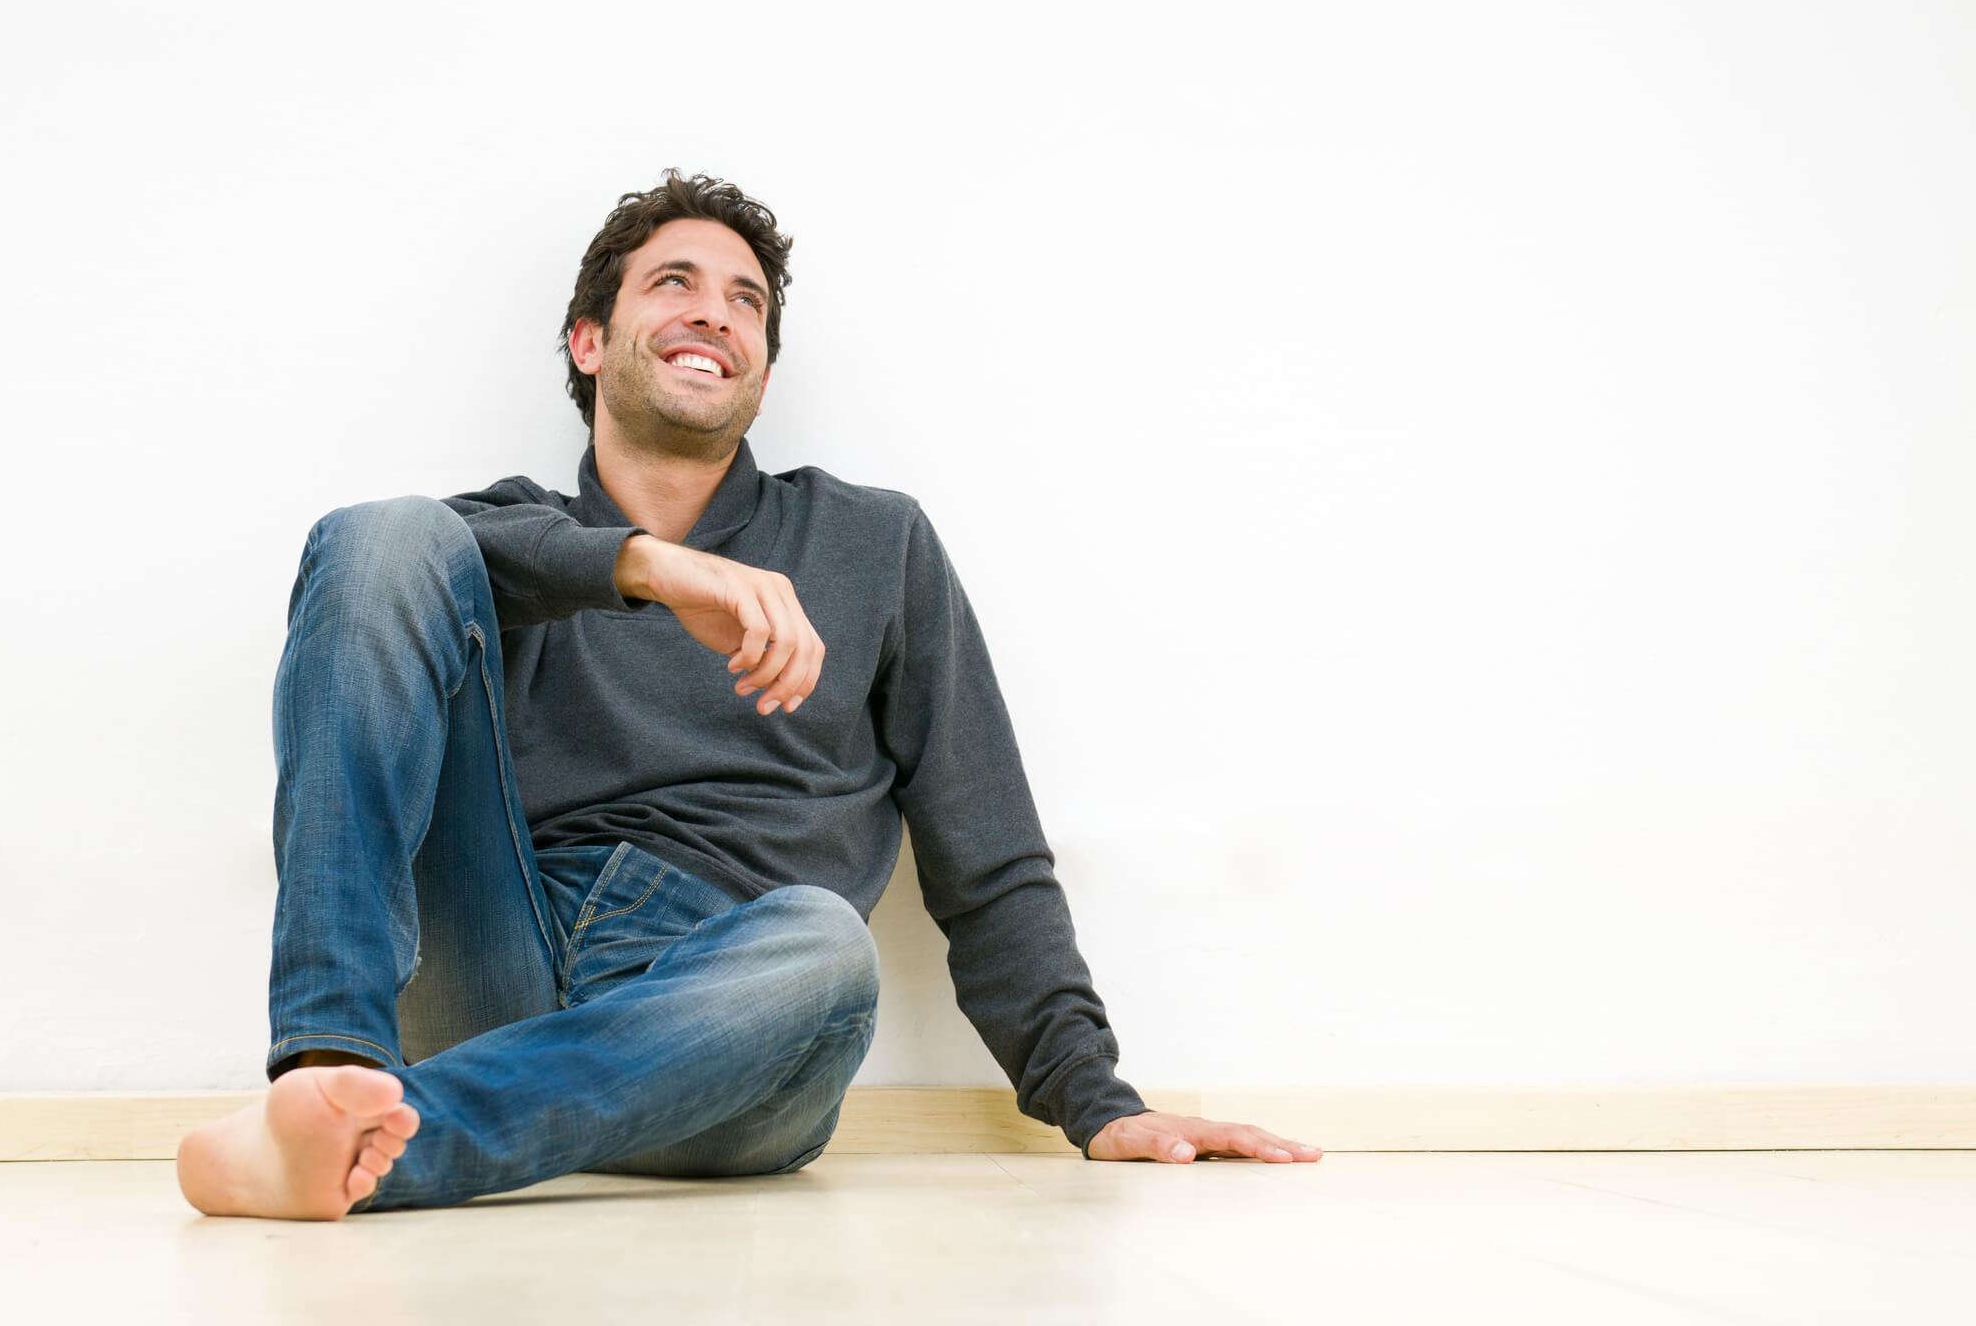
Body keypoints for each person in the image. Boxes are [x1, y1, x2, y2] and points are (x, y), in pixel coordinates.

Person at [176, 171, 1322, 1220]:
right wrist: (647, 566)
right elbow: (399, 564)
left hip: (737, 1017)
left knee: (826, 945)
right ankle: (328, 1072)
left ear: (760, 370)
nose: (714, 310)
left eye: (745, 301)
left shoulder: (875, 542)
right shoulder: (504, 538)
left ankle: (380, 1147)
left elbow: (991, 852)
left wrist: (1096, 1097)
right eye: (672, 282)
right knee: (377, 536)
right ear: (590, 341)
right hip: (501, 959)